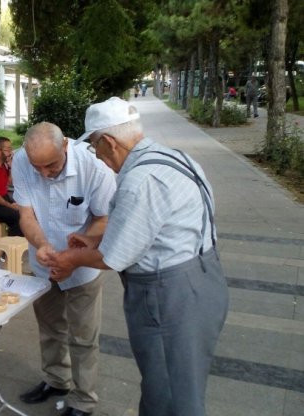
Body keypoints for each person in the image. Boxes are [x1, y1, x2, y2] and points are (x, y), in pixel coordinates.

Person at [51, 97, 229, 416]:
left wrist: (72, 259)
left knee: (169, 395)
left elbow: (112, 257)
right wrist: (93, 235)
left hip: (169, 298)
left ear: (109, 142)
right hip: (204, 278)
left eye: (94, 147)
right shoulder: (174, 157)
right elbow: (153, 226)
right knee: (183, 381)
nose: (97, 156)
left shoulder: (139, 181)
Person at [11, 122, 116, 416]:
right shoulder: (21, 161)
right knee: (50, 328)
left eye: (51, 165)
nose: (45, 174)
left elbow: (103, 219)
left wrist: (72, 258)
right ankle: (57, 380)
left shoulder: (94, 166)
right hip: (43, 262)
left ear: (66, 145)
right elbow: (26, 213)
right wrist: (42, 244)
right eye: (38, 167)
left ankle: (84, 399)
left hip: (82, 266)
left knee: (83, 336)